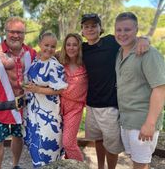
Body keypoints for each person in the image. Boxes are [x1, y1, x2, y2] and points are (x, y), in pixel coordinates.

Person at [81, 13, 150, 169]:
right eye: (86, 26)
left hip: (110, 105)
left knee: (112, 145)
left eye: (94, 25)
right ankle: (100, 167)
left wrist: (145, 39)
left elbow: (132, 39)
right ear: (82, 31)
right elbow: (65, 53)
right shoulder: (82, 48)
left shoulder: (111, 41)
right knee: (98, 139)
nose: (90, 29)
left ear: (100, 28)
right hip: (91, 105)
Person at [0, 16, 36, 169]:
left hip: (22, 107)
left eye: (20, 32)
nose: (16, 35)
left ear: (24, 34)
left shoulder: (31, 53)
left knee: (18, 137)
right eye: (12, 31)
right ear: (6, 32)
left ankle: (16, 165)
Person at [114, 12, 165, 169]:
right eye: (119, 30)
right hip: (127, 120)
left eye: (127, 29)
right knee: (138, 162)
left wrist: (150, 123)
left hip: (142, 120)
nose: (122, 34)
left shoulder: (148, 53)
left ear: (136, 29)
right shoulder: (120, 52)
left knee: (140, 164)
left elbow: (160, 88)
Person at [22, 32, 68, 168]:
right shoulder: (35, 61)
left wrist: (38, 90)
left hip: (48, 114)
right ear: (40, 44)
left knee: (48, 149)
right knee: (35, 149)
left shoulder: (55, 65)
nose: (49, 49)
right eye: (46, 45)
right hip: (33, 113)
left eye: (53, 46)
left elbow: (60, 89)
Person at [59, 33, 88, 161]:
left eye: (75, 45)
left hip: (75, 108)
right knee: (58, 141)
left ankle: (80, 165)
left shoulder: (86, 64)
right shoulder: (59, 63)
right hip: (58, 106)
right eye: (68, 44)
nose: (71, 48)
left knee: (68, 143)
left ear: (79, 47)